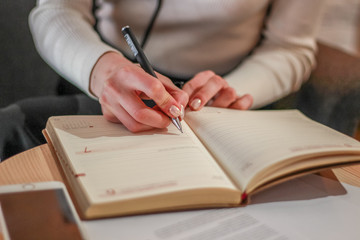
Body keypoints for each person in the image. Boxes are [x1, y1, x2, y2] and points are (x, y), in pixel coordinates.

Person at [0, 0, 325, 161]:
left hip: (231, 97)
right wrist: (104, 71)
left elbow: (290, 47)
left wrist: (236, 91)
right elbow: (56, 10)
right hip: (103, 77)